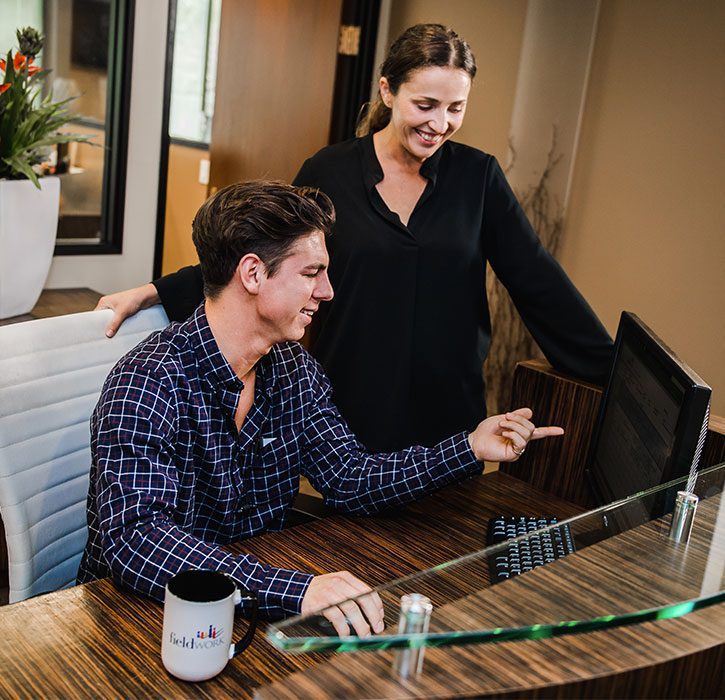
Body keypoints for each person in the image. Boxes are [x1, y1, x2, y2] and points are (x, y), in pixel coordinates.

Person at [78, 180, 564, 637]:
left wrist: (470, 446)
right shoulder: (148, 380)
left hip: (239, 609)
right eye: (311, 273)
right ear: (252, 273)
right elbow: (137, 543)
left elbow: (349, 477)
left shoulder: (293, 370)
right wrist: (297, 590)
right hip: (133, 616)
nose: (327, 291)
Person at [96, 24, 611, 453]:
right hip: (350, 411)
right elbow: (262, 255)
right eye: (426, 104)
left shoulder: (479, 178)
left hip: (449, 411)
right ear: (388, 91)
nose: (440, 124)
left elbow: (538, 282)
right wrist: (157, 292)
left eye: (456, 108)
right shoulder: (332, 170)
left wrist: (617, 373)